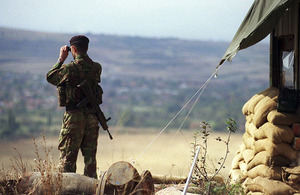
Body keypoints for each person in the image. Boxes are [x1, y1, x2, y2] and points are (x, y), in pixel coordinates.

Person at [46, 35, 103, 178]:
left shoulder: (69, 68)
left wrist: (61, 59)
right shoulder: (97, 68)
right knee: (90, 160)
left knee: (67, 159)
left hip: (74, 118)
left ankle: (68, 189)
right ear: (87, 48)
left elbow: (50, 77)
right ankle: (91, 189)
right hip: (92, 117)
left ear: (74, 49)